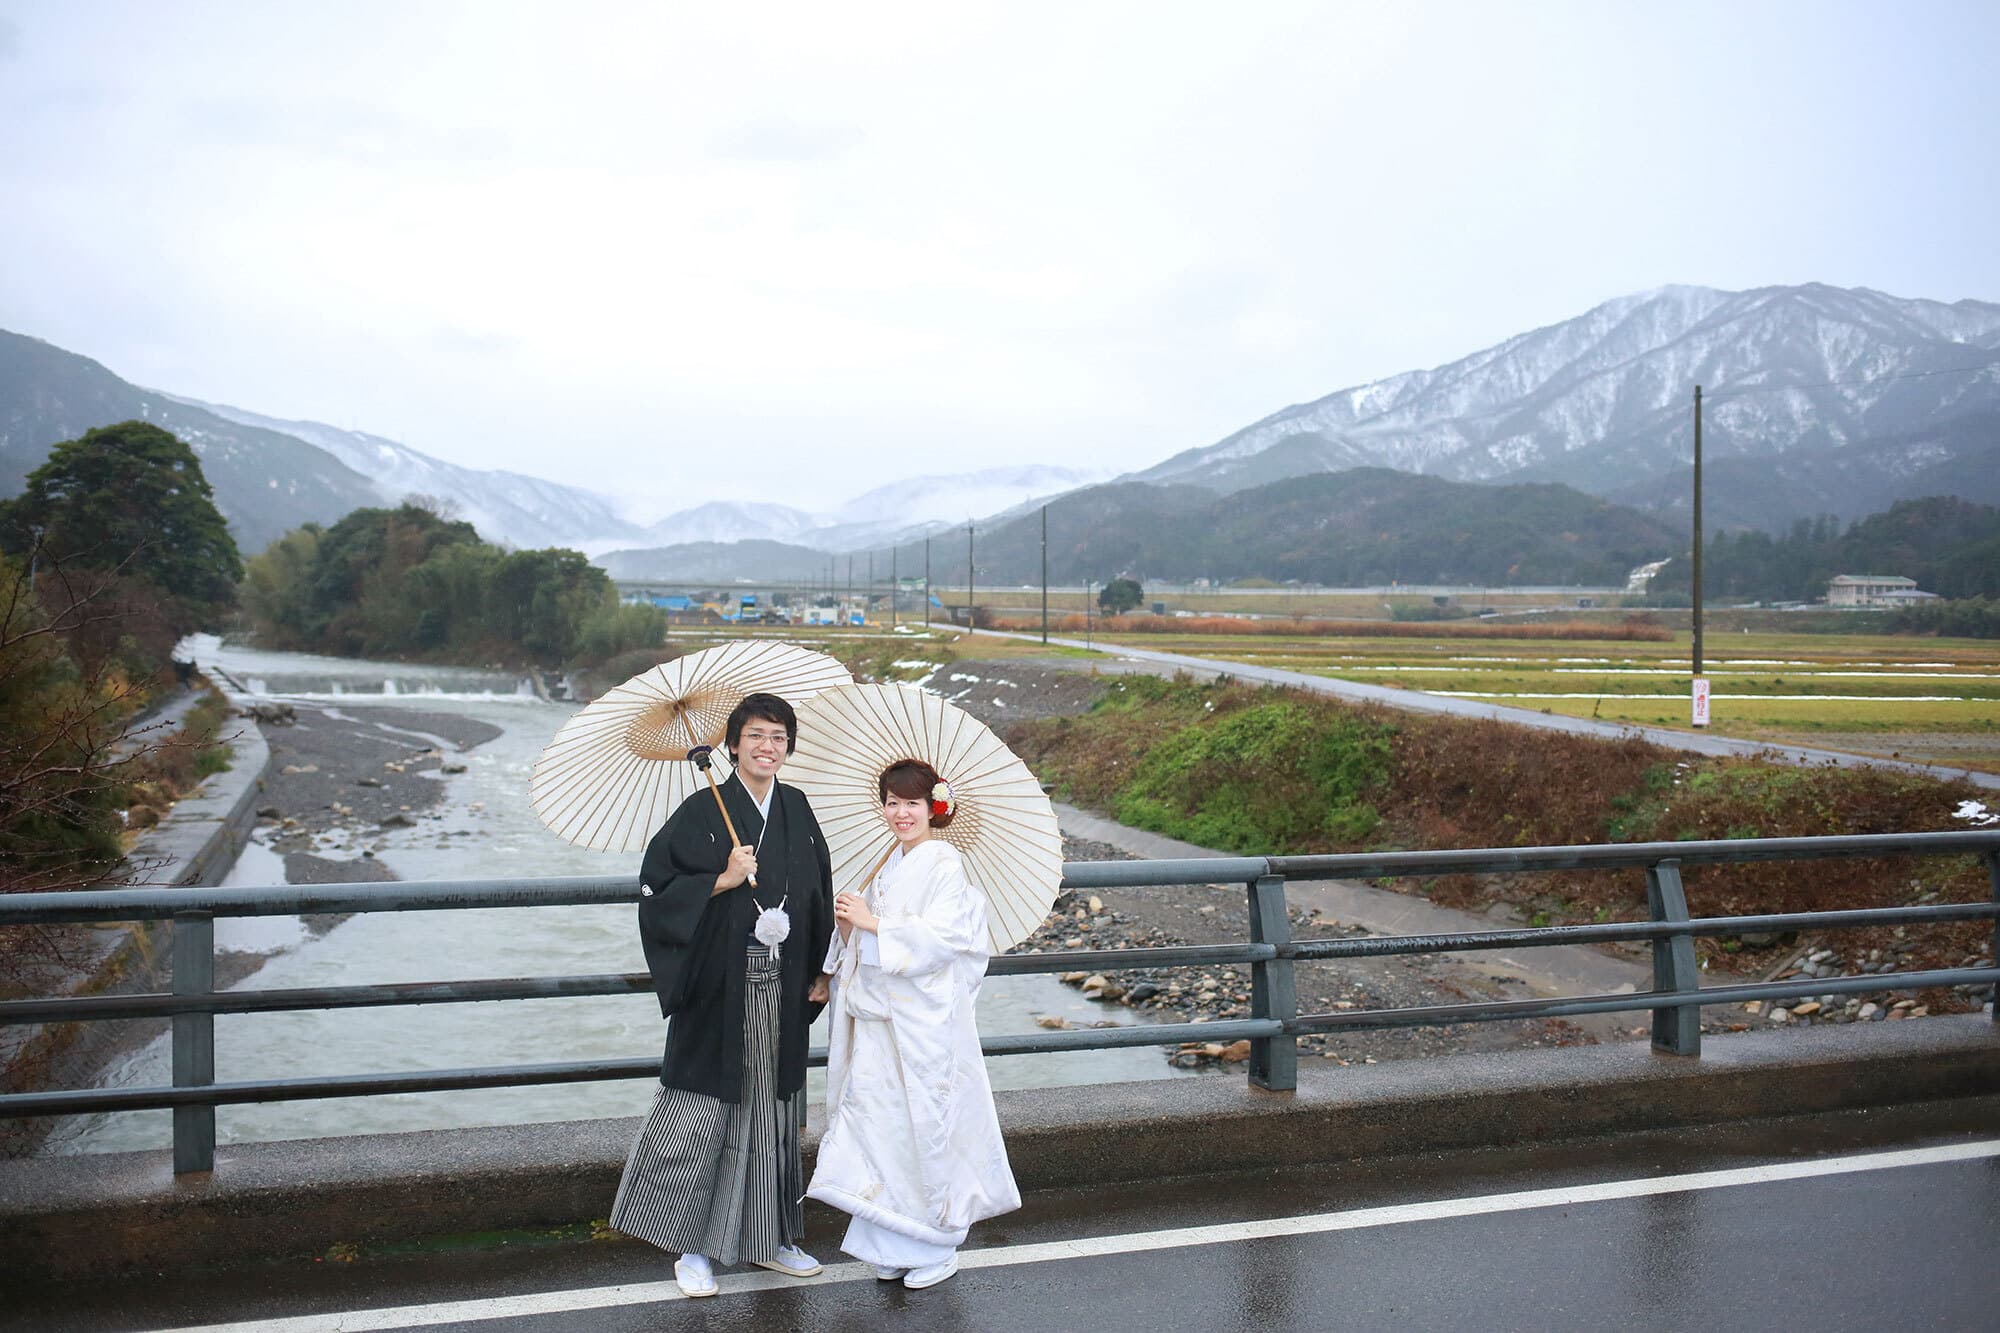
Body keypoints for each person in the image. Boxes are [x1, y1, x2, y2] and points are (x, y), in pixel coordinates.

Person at [609, 692, 837, 1299]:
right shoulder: (700, 810)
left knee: (773, 1113)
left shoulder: (797, 807)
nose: (769, 747)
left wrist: (822, 969)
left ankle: (773, 1239)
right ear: (732, 744)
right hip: (718, 987)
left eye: (780, 737)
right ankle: (692, 1248)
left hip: (783, 987)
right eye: (757, 736)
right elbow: (656, 891)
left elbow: (818, 889)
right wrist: (721, 879)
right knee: (703, 1113)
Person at [808, 758, 1020, 1290]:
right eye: (893, 802)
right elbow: (868, 939)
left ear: (934, 808)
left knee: (925, 1127)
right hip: (881, 1022)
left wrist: (873, 922)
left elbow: (945, 939)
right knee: (883, 1131)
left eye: (912, 803)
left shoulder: (942, 861)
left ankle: (939, 1243)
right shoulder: (891, 864)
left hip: (923, 1027)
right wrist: (848, 930)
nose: (901, 813)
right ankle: (894, 1241)